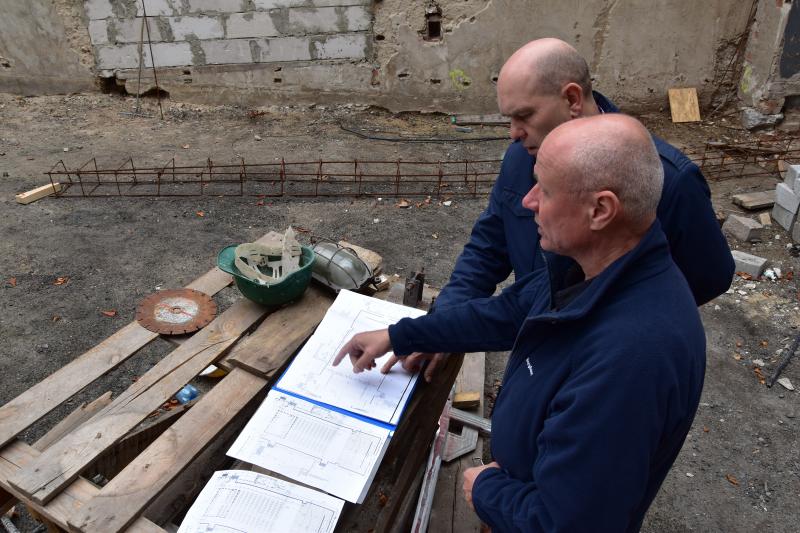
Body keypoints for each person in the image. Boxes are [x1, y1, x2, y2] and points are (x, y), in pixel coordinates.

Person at [334, 114, 706, 532]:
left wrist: (487, 490)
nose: (527, 201)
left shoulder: (631, 357)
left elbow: (570, 524)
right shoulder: (587, 267)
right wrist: (400, 334)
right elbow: (503, 314)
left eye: (544, 189)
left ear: (600, 210)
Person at [385, 38, 732, 381]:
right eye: (509, 118)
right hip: (533, 341)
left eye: (524, 115)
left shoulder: (667, 180)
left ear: (572, 99)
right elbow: (487, 248)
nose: (513, 133)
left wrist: (615, 331)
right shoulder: (522, 157)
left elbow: (707, 278)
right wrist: (442, 326)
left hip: (599, 368)